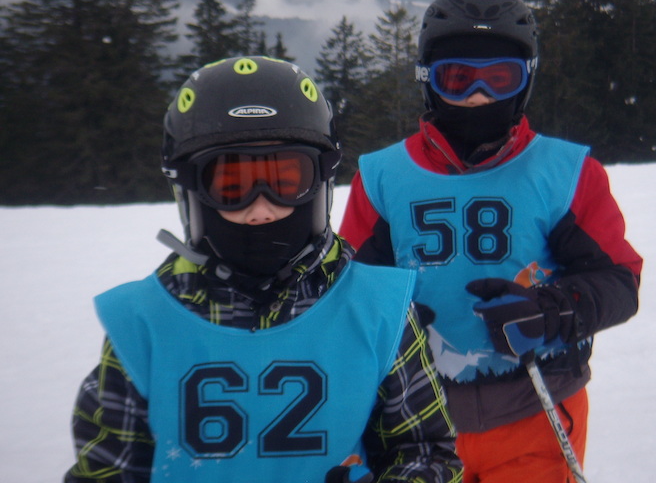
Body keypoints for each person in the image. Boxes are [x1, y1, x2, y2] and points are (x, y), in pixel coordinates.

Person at [65, 56, 461, 483]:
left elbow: (424, 451)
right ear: (190, 191)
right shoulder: (141, 326)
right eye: (231, 186)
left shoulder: (378, 310)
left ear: (321, 183)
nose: (261, 210)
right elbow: (106, 472)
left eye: (286, 181)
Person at [339, 0, 643, 483]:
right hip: (416, 422)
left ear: (526, 80)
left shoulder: (564, 173)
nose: (478, 96)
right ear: (427, 78)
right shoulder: (383, 178)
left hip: (536, 412)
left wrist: (552, 311)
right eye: (457, 78)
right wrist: (389, 320)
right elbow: (349, 296)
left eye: (499, 78)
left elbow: (620, 282)